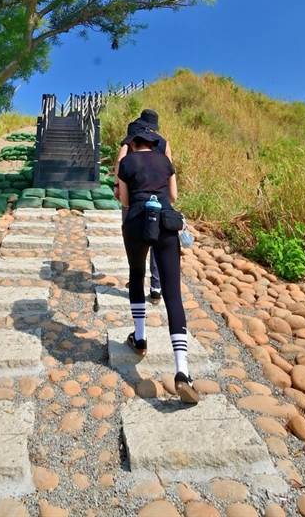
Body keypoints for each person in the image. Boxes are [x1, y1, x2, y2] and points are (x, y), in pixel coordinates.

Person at [117, 124, 199, 404]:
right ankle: (182, 372)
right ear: (153, 142)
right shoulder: (165, 161)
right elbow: (173, 197)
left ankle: (139, 338)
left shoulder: (126, 162)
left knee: (136, 275)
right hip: (165, 224)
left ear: (134, 141)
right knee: (172, 294)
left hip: (137, 222)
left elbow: (125, 201)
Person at [114, 109, 172, 304]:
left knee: (134, 240)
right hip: (159, 199)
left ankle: (136, 279)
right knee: (156, 239)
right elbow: (170, 169)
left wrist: (117, 186)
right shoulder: (163, 143)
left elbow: (120, 162)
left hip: (133, 197)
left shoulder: (131, 138)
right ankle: (156, 286)